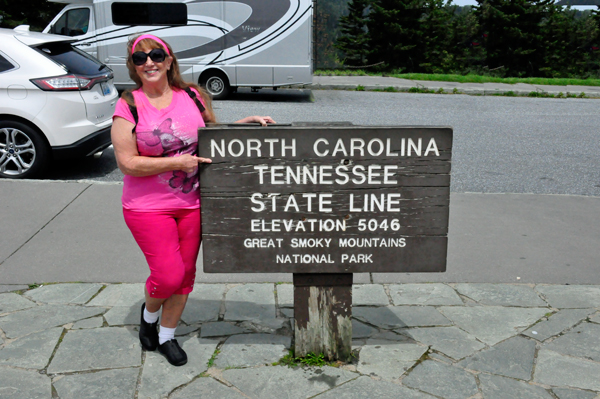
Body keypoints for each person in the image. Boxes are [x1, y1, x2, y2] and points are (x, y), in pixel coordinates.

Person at [111, 34, 274, 366]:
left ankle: (167, 337)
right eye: (140, 59)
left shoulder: (193, 95)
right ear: (134, 67)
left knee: (185, 276)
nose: (149, 63)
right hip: (147, 207)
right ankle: (150, 315)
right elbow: (127, 163)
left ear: (169, 60)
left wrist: (241, 126)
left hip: (193, 204)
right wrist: (175, 162)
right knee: (167, 276)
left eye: (156, 55)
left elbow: (209, 135)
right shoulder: (129, 104)